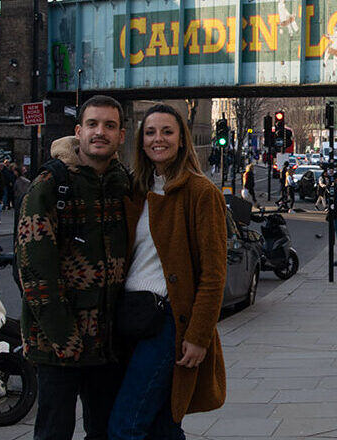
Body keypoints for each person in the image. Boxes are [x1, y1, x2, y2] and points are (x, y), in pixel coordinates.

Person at [16, 95, 133, 440]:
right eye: (93, 125)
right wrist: (63, 337)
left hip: (107, 344)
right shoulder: (50, 186)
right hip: (58, 346)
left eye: (110, 126)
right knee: (54, 432)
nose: (101, 132)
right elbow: (35, 271)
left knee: (104, 431)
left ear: (121, 136)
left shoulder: (122, 184)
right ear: (78, 131)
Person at [111, 102, 226, 439]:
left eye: (166, 131)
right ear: (140, 141)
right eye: (150, 132)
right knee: (163, 424)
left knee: (125, 425)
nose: (157, 139)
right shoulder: (137, 190)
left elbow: (214, 273)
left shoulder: (201, 193)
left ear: (181, 139)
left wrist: (198, 336)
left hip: (168, 323)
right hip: (131, 317)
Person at [12, 165, 31, 231]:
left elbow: (28, 183)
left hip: (20, 197)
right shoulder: (18, 179)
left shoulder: (22, 179)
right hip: (18, 197)